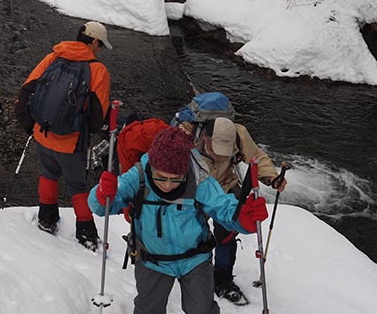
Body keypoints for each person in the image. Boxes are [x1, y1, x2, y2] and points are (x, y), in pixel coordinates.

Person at [88, 126, 269, 314]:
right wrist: (102, 193)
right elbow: (102, 206)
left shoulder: (198, 179)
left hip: (195, 258)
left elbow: (222, 206)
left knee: (202, 310)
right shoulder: (138, 176)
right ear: (153, 166)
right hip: (152, 260)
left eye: (176, 179)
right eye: (161, 177)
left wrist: (243, 216)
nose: (167, 185)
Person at [15, 21, 112, 250]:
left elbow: (26, 90)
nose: (99, 50)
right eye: (100, 45)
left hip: (42, 134)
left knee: (48, 174)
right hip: (71, 142)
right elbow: (99, 117)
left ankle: (47, 220)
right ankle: (86, 233)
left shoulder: (53, 57)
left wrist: (31, 126)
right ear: (94, 41)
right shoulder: (97, 70)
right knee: (78, 185)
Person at [192, 117, 287, 304]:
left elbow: (256, 157)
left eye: (224, 153)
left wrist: (272, 178)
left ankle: (222, 279)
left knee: (226, 238)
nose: (220, 157)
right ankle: (192, 276)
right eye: (215, 150)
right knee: (194, 235)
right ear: (205, 137)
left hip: (226, 188)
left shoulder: (238, 134)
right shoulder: (187, 137)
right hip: (195, 192)